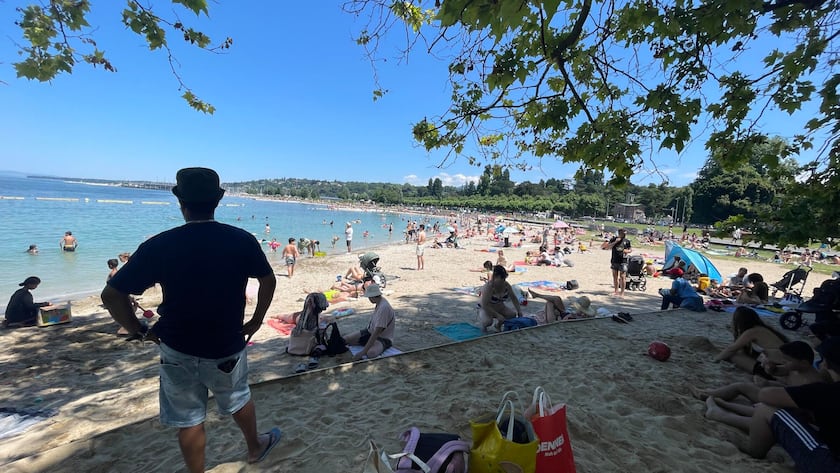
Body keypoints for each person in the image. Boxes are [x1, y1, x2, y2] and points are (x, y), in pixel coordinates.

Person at [100, 167, 280, 470]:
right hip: (226, 343)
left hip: (177, 345)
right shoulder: (241, 240)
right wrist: (257, 319)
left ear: (180, 201)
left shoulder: (160, 244)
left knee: (189, 419)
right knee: (238, 398)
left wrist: (138, 330)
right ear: (218, 200)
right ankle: (255, 447)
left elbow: (111, 295)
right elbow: (268, 280)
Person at [738, 337, 840, 472]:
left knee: (766, 409)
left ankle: (753, 452)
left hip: (829, 465)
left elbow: (765, 395)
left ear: (826, 364)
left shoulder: (824, 390)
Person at [693, 341, 826, 432]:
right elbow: (776, 372)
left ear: (803, 363)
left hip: (794, 413)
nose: (784, 362)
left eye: (787, 360)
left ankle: (721, 405)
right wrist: (769, 367)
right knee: (741, 386)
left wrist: (771, 392)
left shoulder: (813, 382)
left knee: (763, 411)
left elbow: (807, 412)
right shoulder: (795, 369)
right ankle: (709, 394)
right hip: (783, 402)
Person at [713, 306, 788, 374]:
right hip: (781, 364)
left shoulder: (752, 332)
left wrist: (715, 360)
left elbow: (731, 349)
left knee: (734, 356)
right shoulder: (760, 328)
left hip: (776, 368)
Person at [344, 284, 395, 361]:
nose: (369, 299)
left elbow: (376, 332)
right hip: (370, 331)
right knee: (346, 339)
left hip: (383, 338)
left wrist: (363, 352)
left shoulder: (384, 308)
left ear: (372, 296)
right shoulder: (379, 302)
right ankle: (365, 343)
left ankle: (368, 345)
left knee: (371, 353)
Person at [478, 265, 523, 332]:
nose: (503, 281)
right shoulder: (489, 287)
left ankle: (498, 326)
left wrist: (519, 311)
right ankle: (483, 327)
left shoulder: (506, 285)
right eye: (501, 279)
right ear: (495, 277)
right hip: (486, 309)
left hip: (500, 307)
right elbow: (484, 304)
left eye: (504, 279)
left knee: (512, 315)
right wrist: (497, 315)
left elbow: (514, 298)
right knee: (488, 322)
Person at [601, 228, 631, 296]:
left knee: (622, 276)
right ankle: (616, 291)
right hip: (614, 260)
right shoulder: (614, 239)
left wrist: (628, 251)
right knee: (615, 276)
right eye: (623, 233)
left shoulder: (627, 241)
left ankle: (622, 292)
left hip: (623, 261)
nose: (624, 235)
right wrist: (615, 242)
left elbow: (630, 249)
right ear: (619, 233)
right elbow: (607, 247)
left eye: (625, 234)